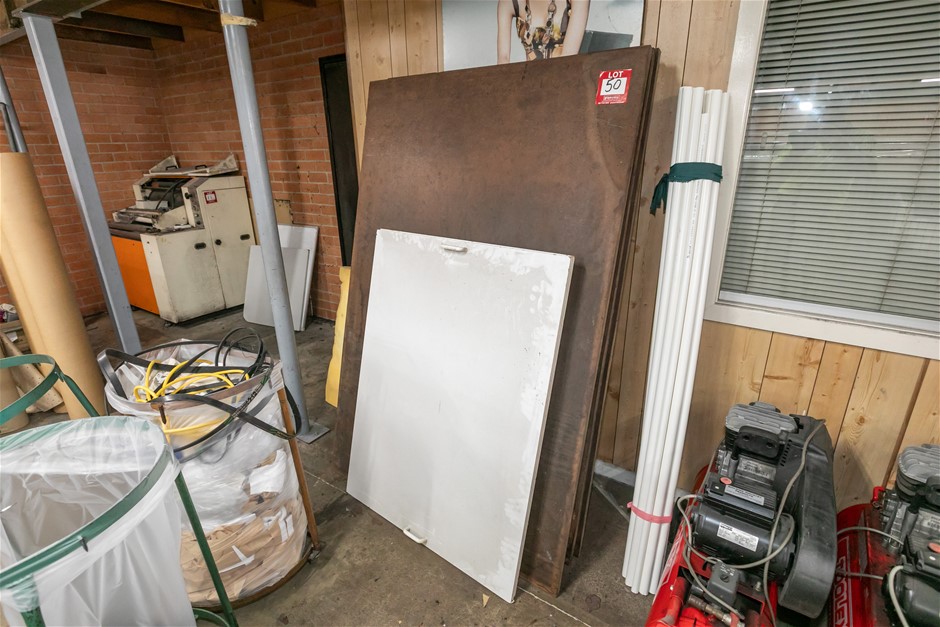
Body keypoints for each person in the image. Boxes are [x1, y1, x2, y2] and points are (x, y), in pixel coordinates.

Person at [497, 0, 590, 63]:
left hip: (567, 81)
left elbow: (568, 58)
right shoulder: (509, 2)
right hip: (529, 82)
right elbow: (503, 60)